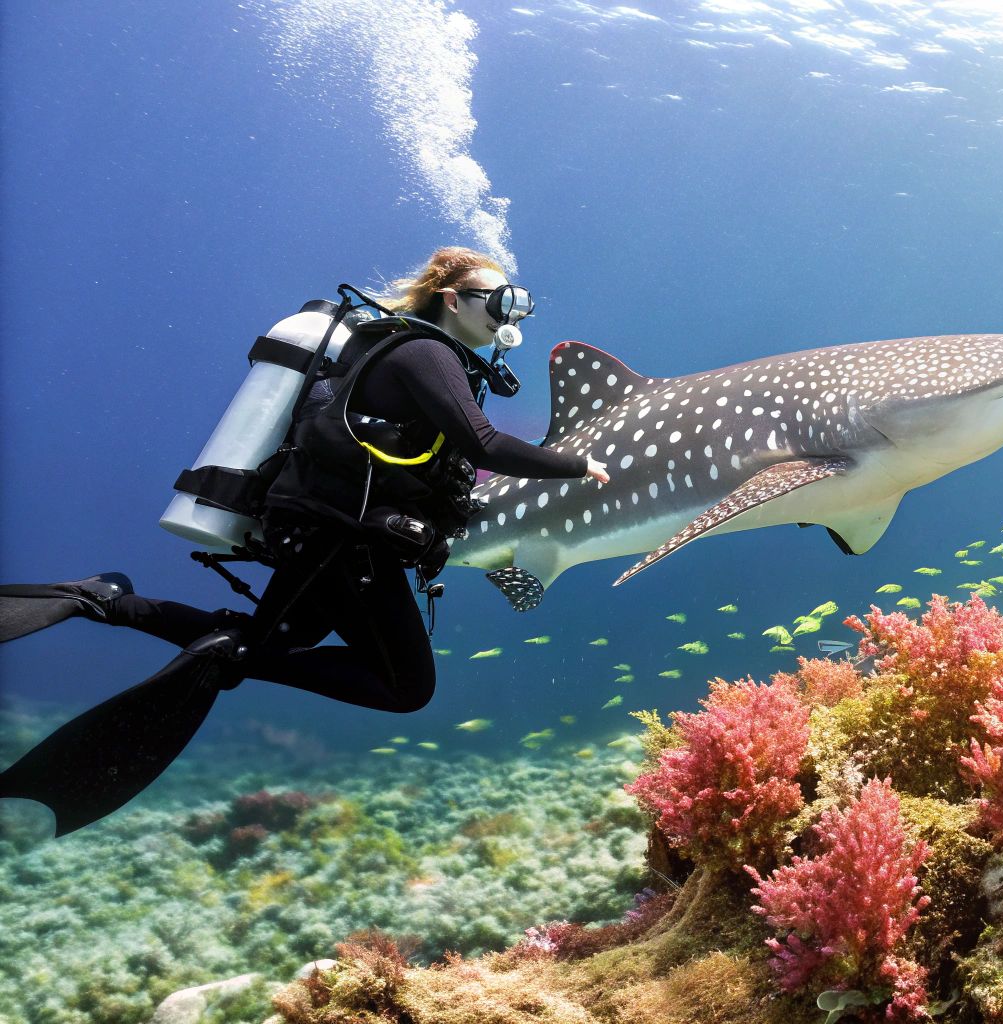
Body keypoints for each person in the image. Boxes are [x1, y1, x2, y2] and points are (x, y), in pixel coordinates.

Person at [0, 247, 610, 835]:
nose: (510, 318)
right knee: (405, 689)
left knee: (272, 644)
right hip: (343, 544)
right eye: (501, 301)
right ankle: (213, 648)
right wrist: (579, 466)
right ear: (452, 299)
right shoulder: (426, 351)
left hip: (320, 533)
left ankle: (106, 600)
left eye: (520, 305)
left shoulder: (411, 352)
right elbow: (485, 445)